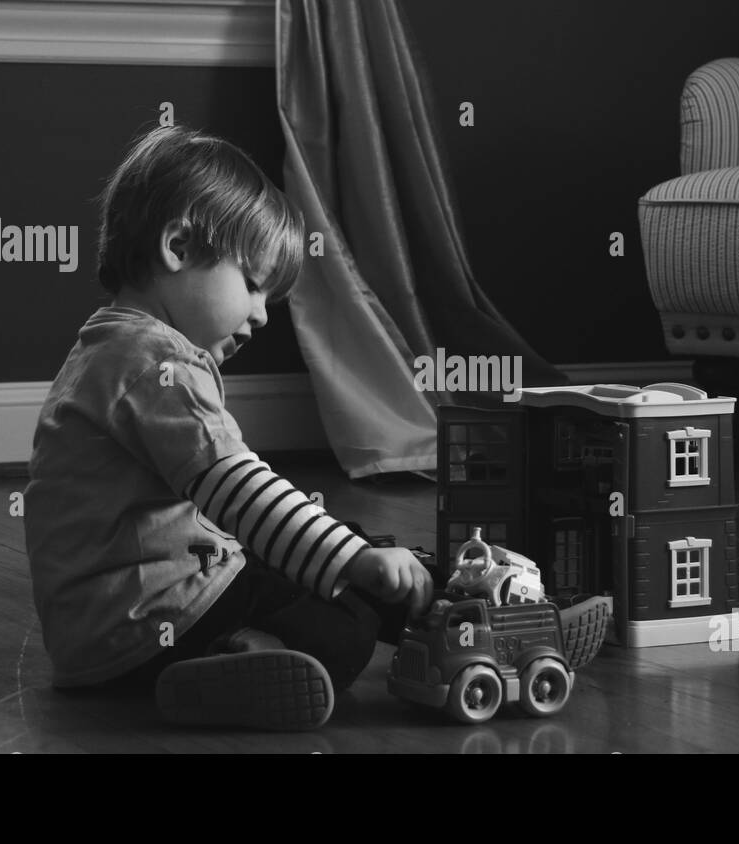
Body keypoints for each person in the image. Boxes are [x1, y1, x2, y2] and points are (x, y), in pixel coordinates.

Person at [23, 125, 433, 731]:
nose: (262, 315)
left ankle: (430, 593)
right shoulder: (157, 365)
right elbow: (238, 493)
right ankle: (448, 610)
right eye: (253, 284)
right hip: (157, 620)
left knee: (338, 550)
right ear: (180, 246)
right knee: (347, 627)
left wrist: (348, 553)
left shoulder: (107, 347)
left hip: (100, 643)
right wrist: (353, 562)